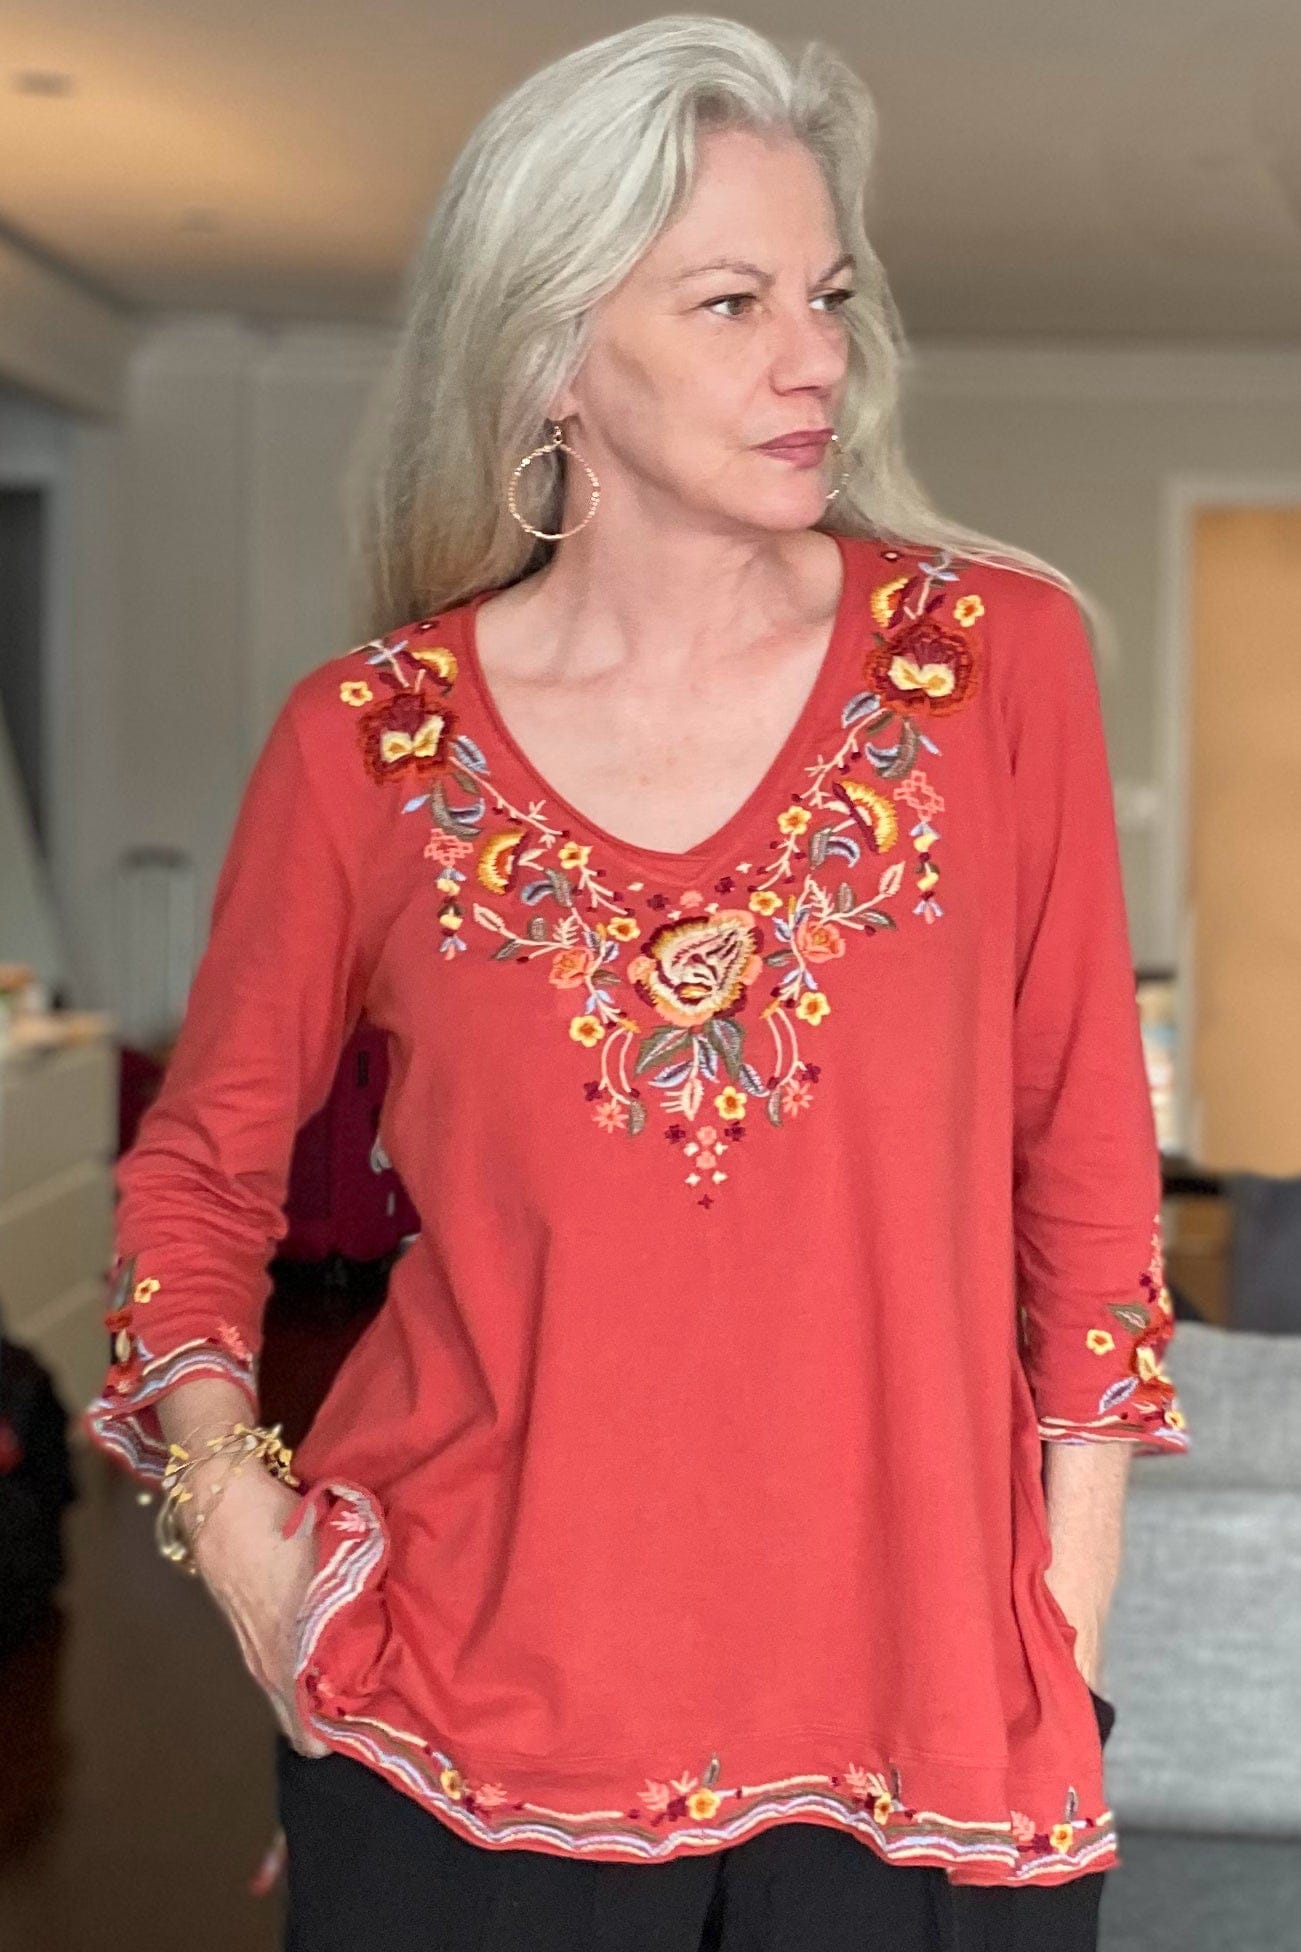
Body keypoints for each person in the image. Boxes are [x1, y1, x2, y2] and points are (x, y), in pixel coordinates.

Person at [83, 15, 1190, 1950]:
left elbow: (1086, 1188)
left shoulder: (993, 668)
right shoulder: (372, 745)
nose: (817, 357)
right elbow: (197, 1175)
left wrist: (1057, 1632)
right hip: (458, 1719)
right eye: (733, 300)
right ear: (551, 359)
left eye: (829, 292)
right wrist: (254, 1559)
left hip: (927, 1732)